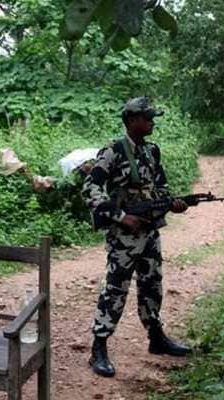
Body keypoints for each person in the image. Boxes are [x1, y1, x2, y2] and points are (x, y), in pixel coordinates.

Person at [81, 97, 192, 378]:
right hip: (124, 236)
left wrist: (172, 203)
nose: (152, 121)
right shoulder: (113, 151)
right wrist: (120, 217)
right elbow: (91, 188)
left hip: (150, 232)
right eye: (147, 117)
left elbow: (161, 188)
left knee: (152, 285)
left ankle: (156, 338)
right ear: (132, 120)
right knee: (115, 289)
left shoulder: (152, 151)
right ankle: (99, 348)